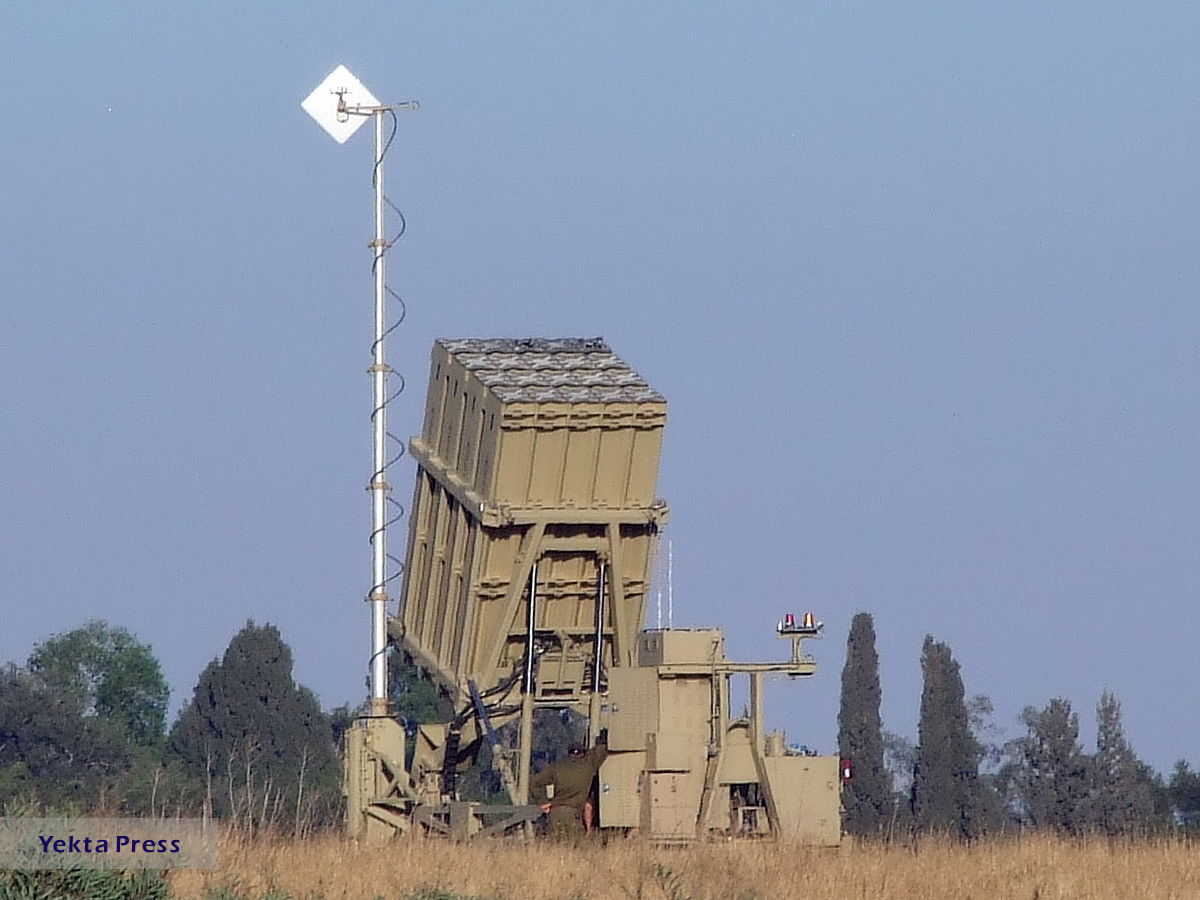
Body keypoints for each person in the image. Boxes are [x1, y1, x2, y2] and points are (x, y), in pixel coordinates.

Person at [529, 730, 608, 840]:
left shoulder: (557, 767)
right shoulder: (588, 764)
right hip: (573, 814)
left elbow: (534, 782)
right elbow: (602, 750)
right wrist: (605, 735)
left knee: (554, 849)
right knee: (574, 849)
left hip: (554, 813)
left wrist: (543, 801)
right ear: (583, 753)